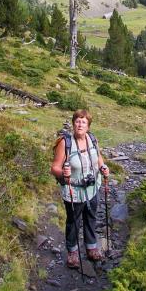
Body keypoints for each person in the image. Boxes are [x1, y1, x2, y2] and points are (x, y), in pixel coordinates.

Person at [51, 108, 109, 268]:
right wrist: (63, 172)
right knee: (73, 222)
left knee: (91, 218)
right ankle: (72, 252)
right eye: (77, 121)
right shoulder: (65, 143)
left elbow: (98, 157)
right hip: (74, 191)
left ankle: (91, 247)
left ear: (88, 126)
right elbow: (54, 167)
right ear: (73, 124)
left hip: (92, 188)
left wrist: (103, 166)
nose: (80, 124)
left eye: (83, 122)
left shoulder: (92, 139)